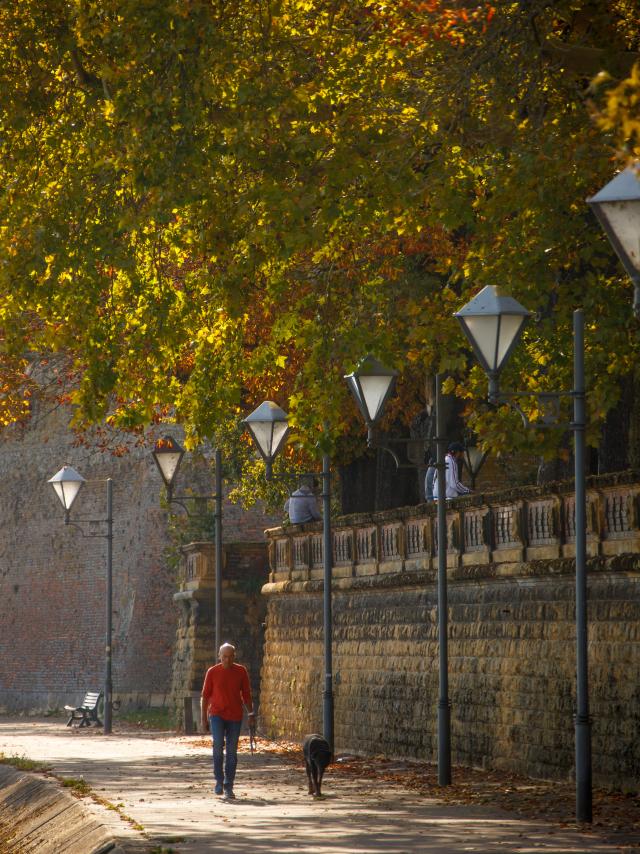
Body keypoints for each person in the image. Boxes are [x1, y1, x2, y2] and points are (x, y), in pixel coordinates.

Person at [201, 643, 255, 800]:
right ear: (219, 656)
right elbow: (205, 696)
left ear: (234, 656)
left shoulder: (241, 671)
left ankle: (228, 785)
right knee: (218, 746)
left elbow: (246, 694)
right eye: (224, 656)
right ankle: (218, 780)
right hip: (216, 714)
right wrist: (204, 718)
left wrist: (251, 713)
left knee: (232, 752)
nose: (227, 660)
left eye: (230, 656)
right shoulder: (212, 672)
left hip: (235, 716)